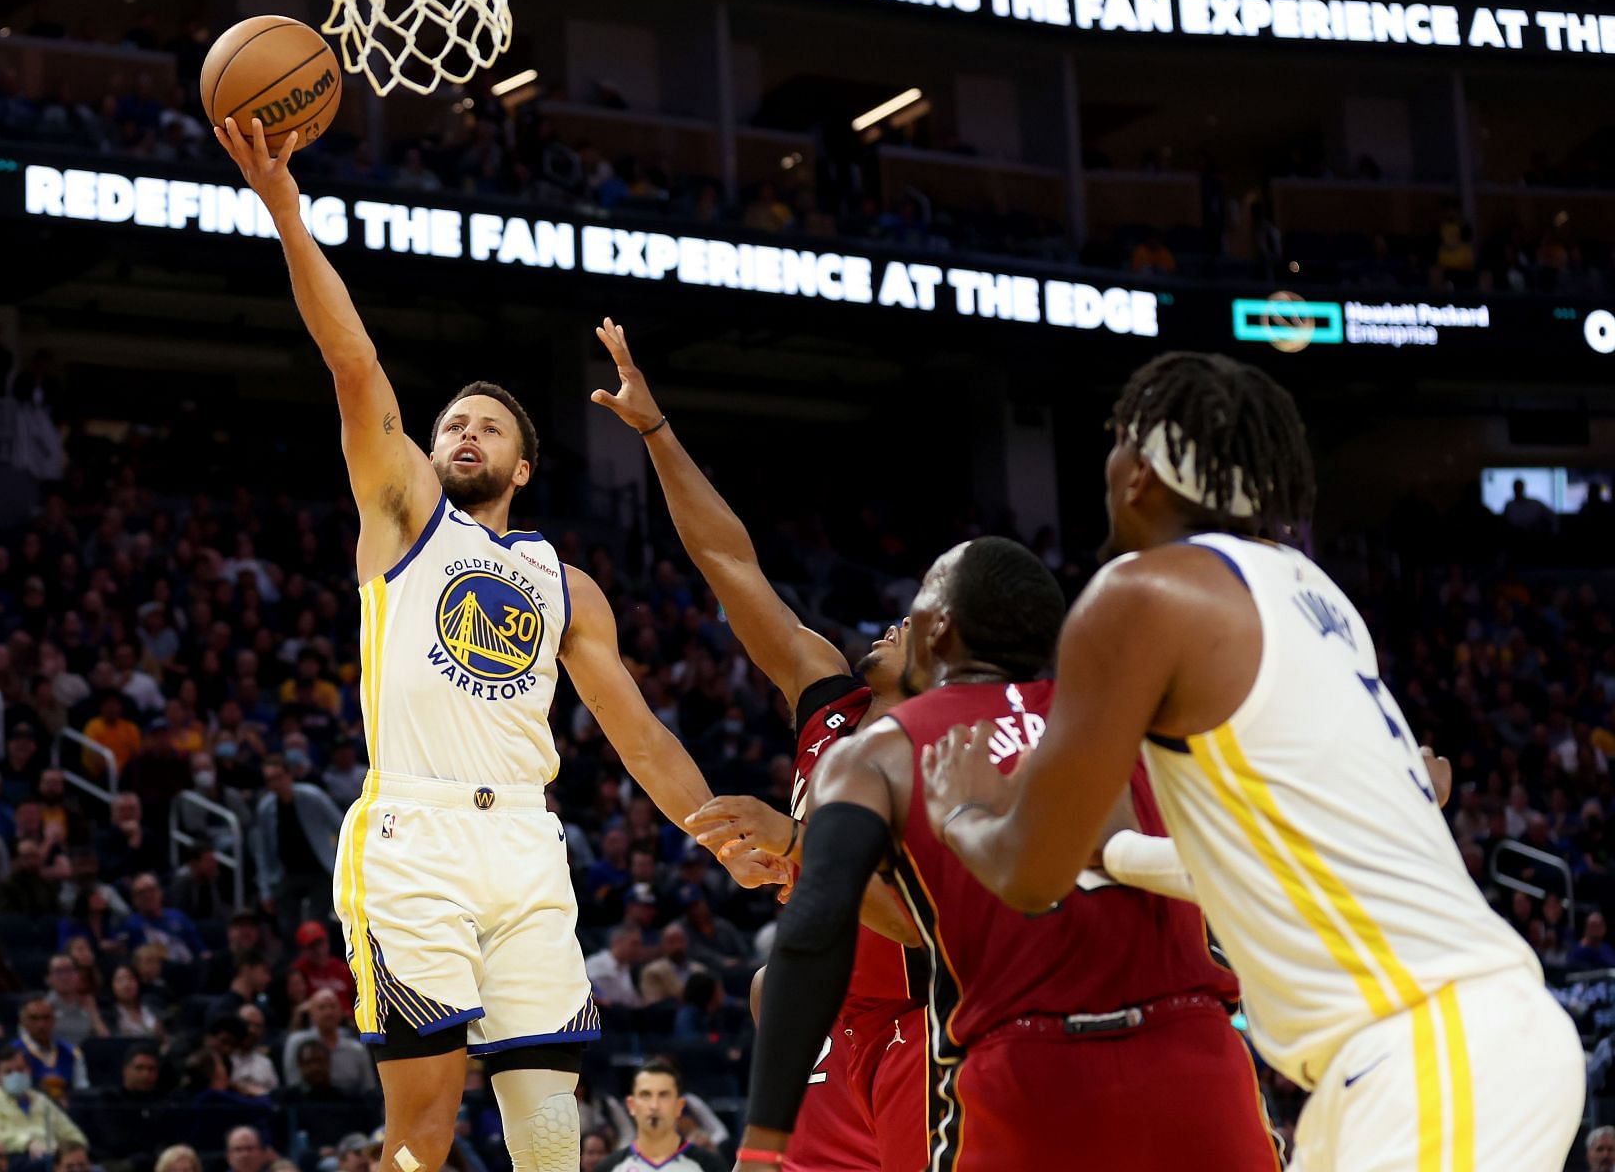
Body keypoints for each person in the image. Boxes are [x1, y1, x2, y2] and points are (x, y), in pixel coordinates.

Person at [215, 112, 765, 1172]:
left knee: (550, 1125)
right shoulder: (406, 514)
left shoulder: (569, 581)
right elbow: (350, 358)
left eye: (488, 427)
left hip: (525, 838)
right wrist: (287, 214)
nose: (462, 432)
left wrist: (712, 831)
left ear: (522, 465)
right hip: (414, 831)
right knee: (423, 1121)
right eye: (451, 423)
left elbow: (638, 734)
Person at [913, 352, 1583, 1167]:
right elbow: (1286, 856)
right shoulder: (1312, 593)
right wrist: (1119, 851)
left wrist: (962, 811)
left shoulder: (1139, 592)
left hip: (1423, 1041)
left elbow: (1030, 874)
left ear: (1140, 471)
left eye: (1116, 441)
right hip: (1441, 1047)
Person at [735, 538, 1276, 1171]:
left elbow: (811, 938)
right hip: (1190, 1049)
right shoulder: (1126, 718)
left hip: (1022, 1064)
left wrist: (762, 1142)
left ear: (941, 629)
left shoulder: (878, 754)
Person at [595, 321, 918, 1172]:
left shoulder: (956, 744)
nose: (894, 621)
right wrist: (657, 432)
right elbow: (727, 561)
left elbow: (934, 905)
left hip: (920, 1015)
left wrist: (796, 845)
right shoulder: (830, 693)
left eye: (916, 621)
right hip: (830, 1018)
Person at [252, 761, 341, 939]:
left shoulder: (313, 797)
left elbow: (341, 825)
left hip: (320, 869)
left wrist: (341, 862)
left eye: (278, 777)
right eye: (270, 780)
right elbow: (263, 852)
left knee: (317, 925)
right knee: (287, 928)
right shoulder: (265, 809)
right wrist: (265, 890)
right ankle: (294, 964)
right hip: (286, 873)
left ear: (289, 776)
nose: (276, 783)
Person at [592, 1061, 726, 1172]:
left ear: (679, 1106)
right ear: (631, 1105)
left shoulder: (710, 1166)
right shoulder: (608, 1168)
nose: (654, 1105)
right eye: (645, 1095)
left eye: (664, 1095)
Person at [0, 1046, 86, 1156]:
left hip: (52, 1157)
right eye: (8, 1072)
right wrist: (26, 1143)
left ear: (29, 1070)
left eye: (20, 1069)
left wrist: (63, 1151)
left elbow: (73, 1134)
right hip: (12, 1158)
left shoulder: (42, 1100)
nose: (15, 1075)